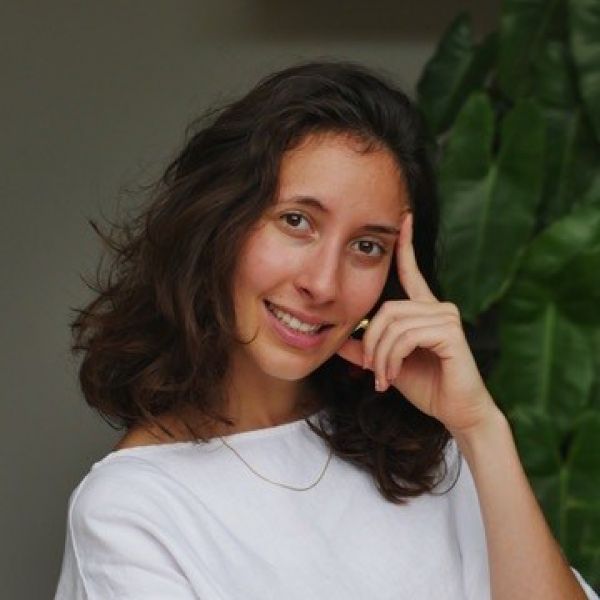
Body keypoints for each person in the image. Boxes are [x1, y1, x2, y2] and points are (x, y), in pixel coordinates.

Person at [54, 60, 598, 599]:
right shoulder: (132, 510)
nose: (323, 283)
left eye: (368, 246)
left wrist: (480, 428)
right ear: (218, 223)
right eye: (296, 221)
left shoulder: (422, 451)